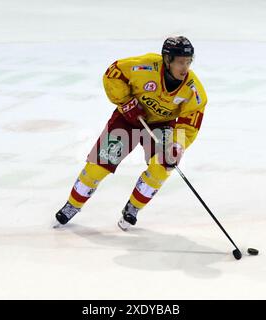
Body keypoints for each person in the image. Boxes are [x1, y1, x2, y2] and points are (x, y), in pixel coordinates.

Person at [55, 36, 207, 231]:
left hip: (162, 125)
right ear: (167, 60)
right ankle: (72, 205)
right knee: (98, 165)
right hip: (127, 119)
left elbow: (188, 125)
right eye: (180, 62)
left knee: (162, 166)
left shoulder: (193, 90)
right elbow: (113, 73)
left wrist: (176, 146)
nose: (185, 67)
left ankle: (133, 208)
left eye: (188, 62)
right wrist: (125, 101)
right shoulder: (144, 66)